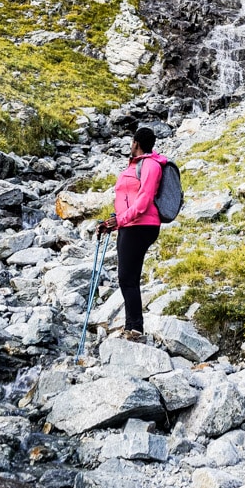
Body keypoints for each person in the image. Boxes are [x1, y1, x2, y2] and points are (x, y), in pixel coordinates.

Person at [99, 126, 166, 340]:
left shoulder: (150, 165)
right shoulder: (138, 165)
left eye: (131, 141)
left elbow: (144, 200)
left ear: (136, 143)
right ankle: (132, 326)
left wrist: (121, 220)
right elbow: (129, 199)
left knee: (128, 278)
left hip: (140, 225)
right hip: (130, 224)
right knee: (128, 277)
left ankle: (135, 327)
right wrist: (114, 222)